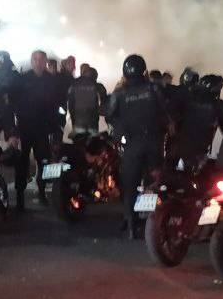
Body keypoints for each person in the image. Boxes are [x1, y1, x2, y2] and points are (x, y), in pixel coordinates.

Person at [106, 53, 169, 236]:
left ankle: (130, 221)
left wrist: (120, 131)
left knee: (130, 183)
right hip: (154, 142)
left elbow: (110, 114)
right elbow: (166, 110)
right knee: (154, 182)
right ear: (143, 70)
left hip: (132, 144)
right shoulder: (154, 88)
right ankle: (154, 221)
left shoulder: (120, 93)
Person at [12, 49, 60, 210]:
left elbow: (55, 104)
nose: (38, 62)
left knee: (44, 162)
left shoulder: (51, 80)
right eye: (35, 59)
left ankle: (42, 191)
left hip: (42, 128)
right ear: (31, 61)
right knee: (22, 162)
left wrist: (55, 126)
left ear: (45, 61)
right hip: (25, 127)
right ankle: (19, 198)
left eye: (41, 59)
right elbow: (14, 102)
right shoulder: (22, 79)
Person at [68, 64, 105, 137]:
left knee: (79, 141)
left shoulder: (74, 85)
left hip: (78, 122)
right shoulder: (98, 86)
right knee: (93, 141)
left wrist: (73, 120)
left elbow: (70, 104)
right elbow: (104, 102)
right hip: (92, 122)